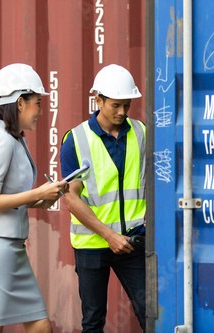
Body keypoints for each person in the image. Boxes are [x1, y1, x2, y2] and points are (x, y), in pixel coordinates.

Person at [0, 63, 68, 333]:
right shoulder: (0, 140)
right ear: (20, 103)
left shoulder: (14, 138)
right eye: (37, 103)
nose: (41, 111)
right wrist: (37, 193)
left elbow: (9, 197)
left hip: (10, 248)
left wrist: (42, 199)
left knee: (40, 327)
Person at [60, 64, 146, 332]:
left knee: (151, 313)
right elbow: (71, 199)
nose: (122, 112)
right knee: (93, 320)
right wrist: (110, 236)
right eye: (115, 106)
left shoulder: (142, 132)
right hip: (92, 244)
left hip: (134, 241)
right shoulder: (75, 140)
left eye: (126, 105)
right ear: (98, 100)